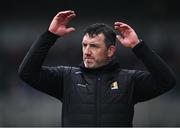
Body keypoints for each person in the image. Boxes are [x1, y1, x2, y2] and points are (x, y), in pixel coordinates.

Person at [18, 10, 176, 127]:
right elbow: (27, 73)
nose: (86, 51)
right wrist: (50, 35)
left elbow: (167, 81)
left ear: (110, 51)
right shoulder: (67, 77)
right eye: (84, 45)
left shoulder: (129, 80)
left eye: (93, 46)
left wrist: (138, 46)